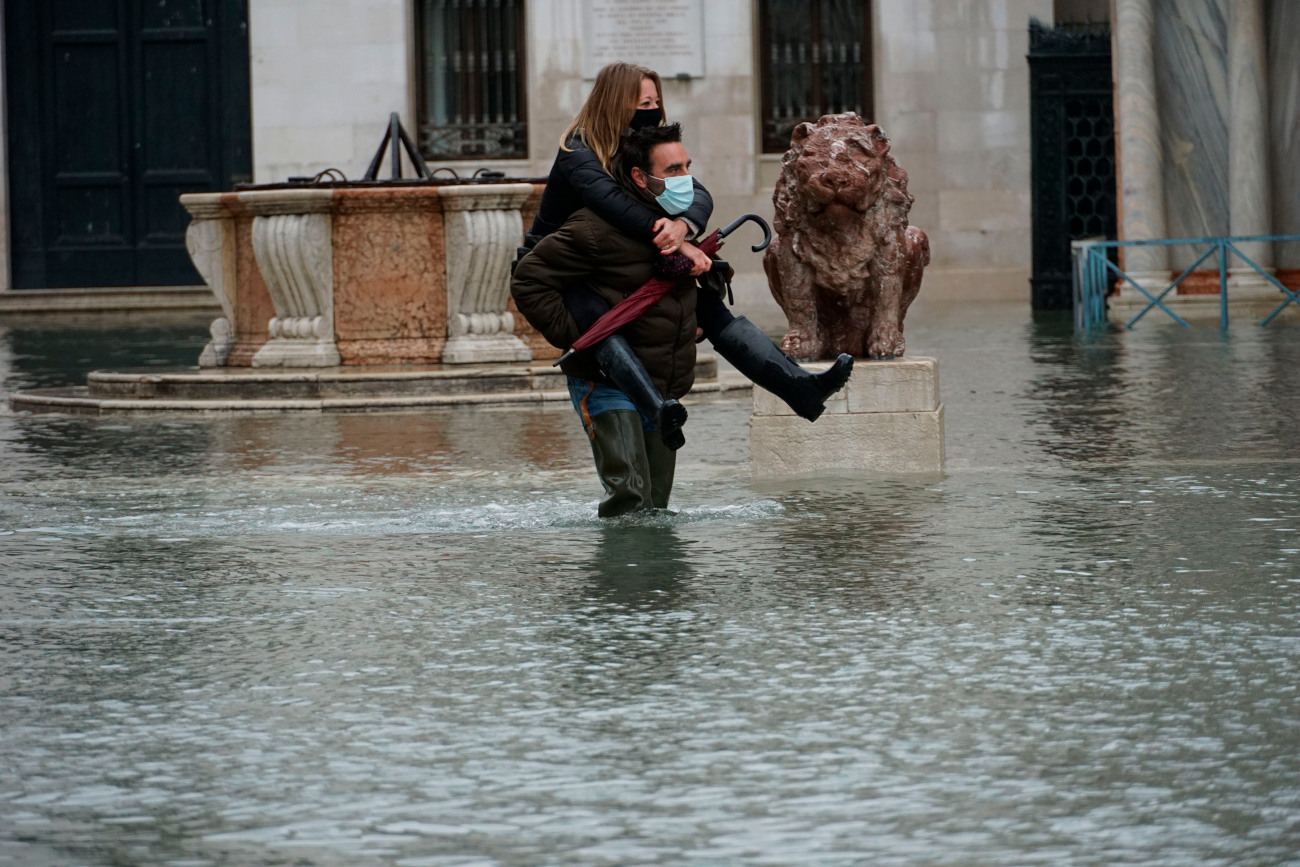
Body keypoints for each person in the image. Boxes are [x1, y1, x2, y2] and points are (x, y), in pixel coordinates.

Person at [519, 61, 854, 456]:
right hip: (565, 266)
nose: (652, 110)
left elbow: (697, 192)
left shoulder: (635, 144)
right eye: (643, 103)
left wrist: (684, 227)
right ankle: (655, 409)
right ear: (615, 103)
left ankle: (800, 388)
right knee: (600, 323)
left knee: (708, 307)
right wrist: (678, 241)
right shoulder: (577, 149)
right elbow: (610, 204)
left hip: (617, 254)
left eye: (655, 102)